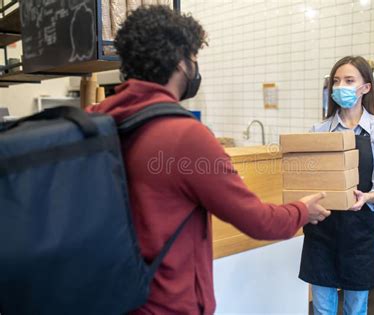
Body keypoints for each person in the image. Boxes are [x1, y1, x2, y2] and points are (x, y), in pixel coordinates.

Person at [87, 5, 330, 315]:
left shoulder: (100, 119)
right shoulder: (185, 136)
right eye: (193, 58)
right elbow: (257, 221)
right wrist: (301, 211)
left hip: (114, 296)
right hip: (169, 304)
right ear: (180, 62)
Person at [299, 56, 374, 315]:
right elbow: (309, 179)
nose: (340, 86)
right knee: (322, 309)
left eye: (349, 80)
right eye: (336, 81)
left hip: (360, 232)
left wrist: (369, 196)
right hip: (322, 230)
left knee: (356, 309)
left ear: (366, 87)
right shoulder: (318, 132)